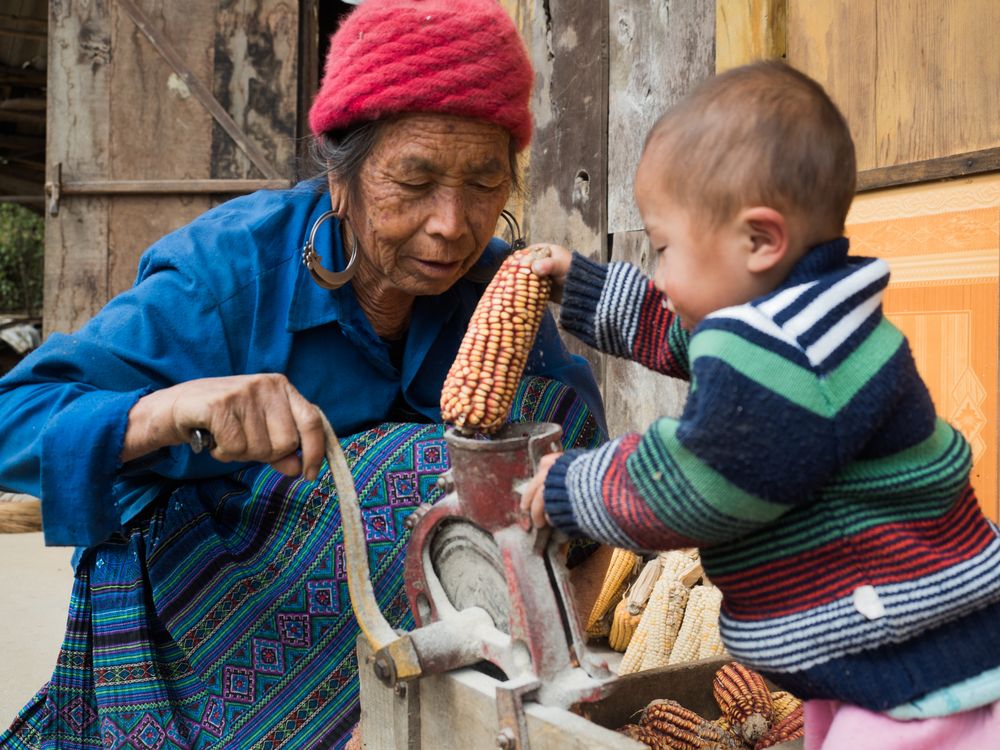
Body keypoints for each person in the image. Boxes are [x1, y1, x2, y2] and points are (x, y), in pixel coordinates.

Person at [0, 2, 606, 748]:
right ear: (340, 179)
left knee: (552, 433)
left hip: (411, 609)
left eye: (484, 182)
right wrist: (170, 409)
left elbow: (584, 477)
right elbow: (15, 418)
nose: (452, 223)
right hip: (213, 606)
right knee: (421, 468)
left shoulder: (494, 289)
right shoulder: (225, 276)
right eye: (414, 182)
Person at [519, 61, 1000, 749]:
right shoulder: (801, 326)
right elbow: (686, 334)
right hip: (868, 659)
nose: (659, 275)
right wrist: (588, 288)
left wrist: (574, 487)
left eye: (663, 250)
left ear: (760, 240)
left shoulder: (793, 362)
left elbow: (699, 480)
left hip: (906, 669)